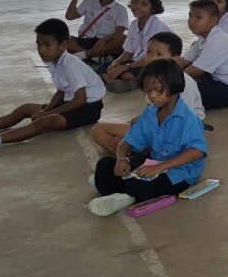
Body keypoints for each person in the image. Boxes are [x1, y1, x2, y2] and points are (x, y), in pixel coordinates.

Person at [0, 19, 106, 156]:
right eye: (39, 44)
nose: (41, 50)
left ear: (63, 45)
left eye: (47, 45)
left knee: (42, 123)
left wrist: (48, 114)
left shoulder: (71, 64)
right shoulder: (54, 61)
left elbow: (80, 99)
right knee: (26, 108)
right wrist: (45, 111)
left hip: (87, 110)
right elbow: (61, 91)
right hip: (70, 102)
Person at [86, 59, 206, 216]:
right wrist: (121, 159)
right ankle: (120, 189)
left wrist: (160, 167)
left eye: (158, 90)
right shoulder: (150, 113)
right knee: (105, 164)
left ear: (174, 87)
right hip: (155, 161)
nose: (152, 96)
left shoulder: (188, 118)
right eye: (148, 91)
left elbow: (197, 151)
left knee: (140, 184)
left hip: (181, 173)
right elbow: (128, 141)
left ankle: (121, 193)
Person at [89, 32, 206, 155]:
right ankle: (138, 154)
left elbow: (181, 122)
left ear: (175, 59)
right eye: (149, 52)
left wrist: (131, 137)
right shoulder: (151, 79)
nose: (151, 58)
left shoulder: (183, 83)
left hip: (179, 131)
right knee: (99, 131)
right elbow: (152, 112)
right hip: (156, 125)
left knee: (107, 133)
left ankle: (143, 154)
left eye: (159, 54)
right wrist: (133, 128)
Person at [176, 0, 228, 110]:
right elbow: (183, 61)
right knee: (183, 87)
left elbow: (194, 71)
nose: (192, 21)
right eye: (190, 16)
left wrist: (169, 82)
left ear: (213, 21)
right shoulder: (203, 39)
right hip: (216, 79)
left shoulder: (218, 41)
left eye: (198, 17)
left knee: (181, 93)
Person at [103, 0, 171, 92]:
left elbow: (154, 59)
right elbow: (129, 52)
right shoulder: (134, 24)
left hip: (157, 62)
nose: (137, 6)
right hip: (138, 61)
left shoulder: (158, 28)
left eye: (144, 4)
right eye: (135, 2)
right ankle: (119, 79)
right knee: (106, 66)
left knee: (129, 74)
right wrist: (116, 62)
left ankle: (129, 81)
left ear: (153, 8)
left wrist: (126, 66)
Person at [64, 0, 128, 63]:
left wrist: (103, 40)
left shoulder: (120, 10)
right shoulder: (88, 2)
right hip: (85, 40)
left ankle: (85, 54)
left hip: (105, 43)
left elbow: (119, 34)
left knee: (123, 39)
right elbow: (69, 16)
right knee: (62, 40)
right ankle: (95, 57)